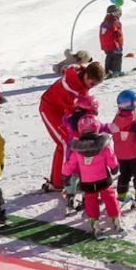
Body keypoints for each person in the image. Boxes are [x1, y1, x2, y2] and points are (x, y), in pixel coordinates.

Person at [39, 60, 99, 192]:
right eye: (91, 83)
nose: (92, 86)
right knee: (65, 142)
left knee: (75, 139)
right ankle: (60, 181)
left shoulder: (81, 76)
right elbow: (73, 112)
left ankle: (75, 174)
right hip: (50, 109)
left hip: (63, 110)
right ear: (86, 76)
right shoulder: (73, 90)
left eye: (95, 85)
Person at [71, 116, 122, 236]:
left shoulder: (77, 149)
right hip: (103, 179)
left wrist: (66, 174)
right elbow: (111, 157)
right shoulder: (103, 145)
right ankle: (115, 217)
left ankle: (94, 221)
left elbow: (70, 163)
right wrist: (114, 167)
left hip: (87, 182)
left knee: (90, 199)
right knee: (109, 196)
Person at [99, 3, 125, 78]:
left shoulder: (104, 23)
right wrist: (119, 45)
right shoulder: (116, 22)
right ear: (115, 13)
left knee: (109, 56)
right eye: (119, 13)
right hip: (114, 44)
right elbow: (118, 35)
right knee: (117, 56)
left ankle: (108, 71)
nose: (119, 15)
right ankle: (116, 71)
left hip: (105, 45)